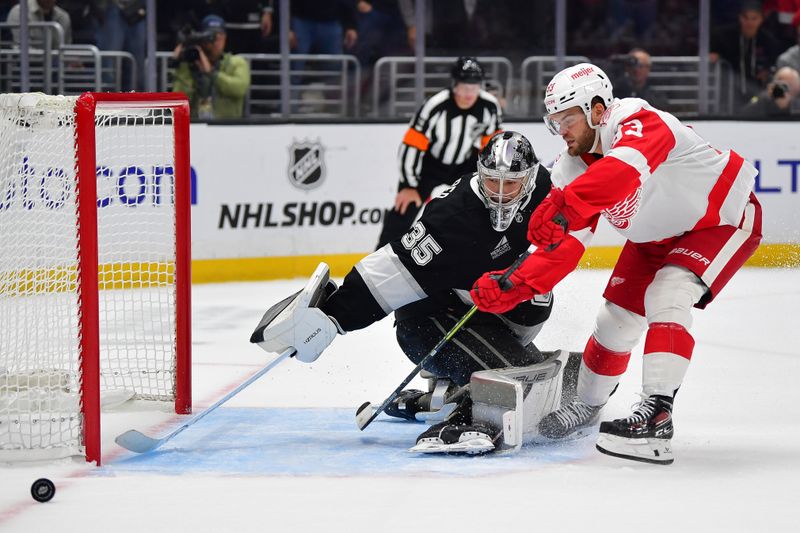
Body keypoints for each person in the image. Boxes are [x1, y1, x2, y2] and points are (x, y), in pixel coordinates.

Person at [471, 62, 762, 465]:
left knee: (668, 294)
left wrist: (564, 204)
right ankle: (588, 407)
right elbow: (566, 247)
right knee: (615, 322)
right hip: (653, 241)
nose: (561, 131)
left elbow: (621, 172)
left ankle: (656, 416)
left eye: (567, 118)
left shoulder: (637, 119)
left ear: (596, 108)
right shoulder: (571, 167)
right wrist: (514, 285)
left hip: (720, 218)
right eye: (553, 122)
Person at [252, 132, 579, 453]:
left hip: (482, 314)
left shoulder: (545, 190)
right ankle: (466, 410)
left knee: (533, 331)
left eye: (511, 184)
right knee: (522, 381)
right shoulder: (453, 217)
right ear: (480, 174)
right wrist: (334, 316)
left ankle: (446, 395)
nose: (501, 193)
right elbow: (391, 268)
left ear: (530, 177)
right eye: (492, 181)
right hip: (428, 324)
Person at [375, 56, 503, 249]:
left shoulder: (489, 106)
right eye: (464, 87)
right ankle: (379, 256)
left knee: (483, 207)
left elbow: (492, 145)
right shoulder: (436, 105)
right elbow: (412, 145)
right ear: (454, 85)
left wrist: (491, 180)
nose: (470, 93)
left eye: (475, 87)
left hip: (464, 163)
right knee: (404, 207)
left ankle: (485, 253)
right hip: (430, 165)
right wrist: (409, 185)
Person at [172, 15, 251, 120]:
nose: (216, 41)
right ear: (202, 39)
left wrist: (212, 73)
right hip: (196, 127)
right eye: (211, 37)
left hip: (228, 127)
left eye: (220, 36)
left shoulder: (237, 62)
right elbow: (178, 103)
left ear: (225, 38)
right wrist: (181, 65)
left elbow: (239, 88)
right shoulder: (192, 62)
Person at [710, 0, 783, 105]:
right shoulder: (723, 37)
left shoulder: (769, 41)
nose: (749, 22)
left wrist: (767, 70)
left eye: (754, 18)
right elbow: (713, 54)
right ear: (740, 18)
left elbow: (773, 62)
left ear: (761, 19)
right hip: (730, 89)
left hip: (758, 90)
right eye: (745, 18)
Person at [91, 0, 145, 91]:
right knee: (109, 66)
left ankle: (136, 100)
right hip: (111, 7)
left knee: (137, 67)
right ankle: (106, 100)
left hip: (138, 9)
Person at [6, 0, 72, 49]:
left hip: (57, 64)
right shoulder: (20, 12)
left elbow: (66, 49)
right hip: (27, 64)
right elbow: (20, 49)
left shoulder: (63, 16)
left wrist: (71, 60)